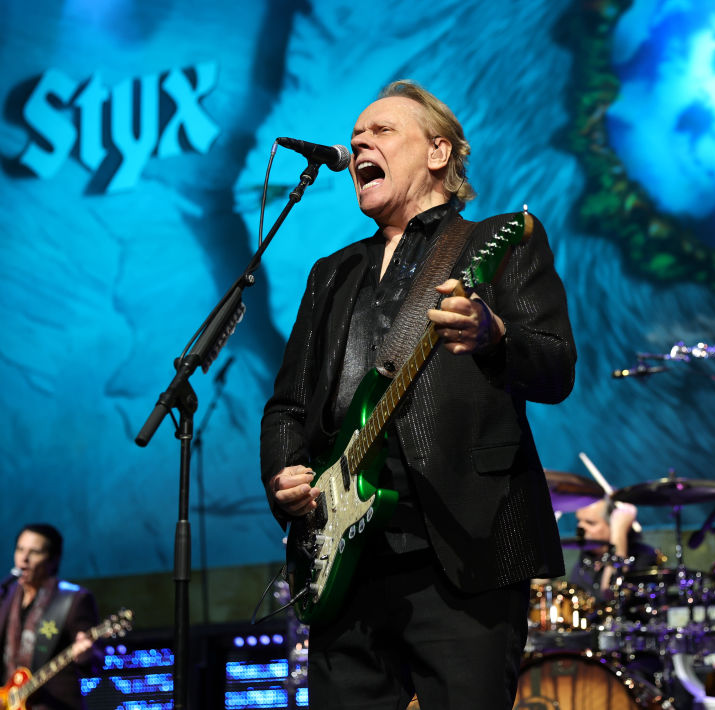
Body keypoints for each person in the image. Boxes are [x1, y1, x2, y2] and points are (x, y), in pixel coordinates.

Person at [260, 79, 576, 710]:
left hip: (464, 551)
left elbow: (556, 368)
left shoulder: (499, 240)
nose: (358, 144)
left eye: (380, 132)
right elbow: (288, 405)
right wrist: (285, 475)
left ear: (438, 153)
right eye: (355, 138)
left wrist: (495, 335)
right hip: (342, 562)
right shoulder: (332, 272)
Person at [0, 523, 98, 710]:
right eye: (20, 549)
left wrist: (85, 655)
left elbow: (95, 662)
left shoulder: (73, 600)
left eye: (34, 552)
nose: (24, 559)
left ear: (53, 560)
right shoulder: (0, 597)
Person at [569, 497, 657, 597]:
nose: (580, 527)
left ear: (614, 524)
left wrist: (619, 532)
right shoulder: (582, 563)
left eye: (590, 523)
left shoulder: (643, 556)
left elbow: (611, 595)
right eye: (579, 521)